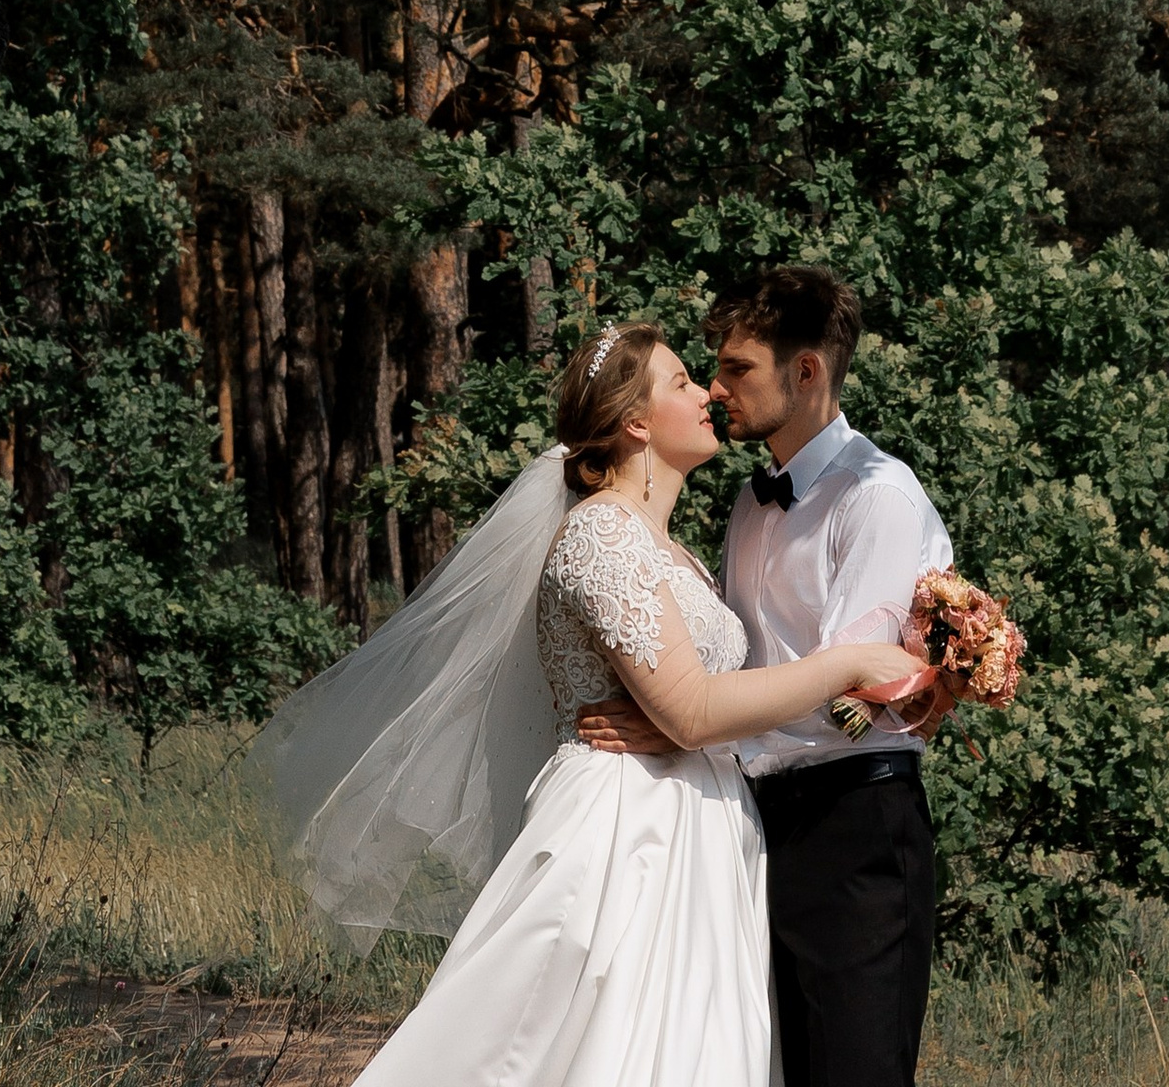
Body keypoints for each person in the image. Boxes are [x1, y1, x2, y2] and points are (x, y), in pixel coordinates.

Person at [249, 317, 930, 1087]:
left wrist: (691, 722)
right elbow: (693, 709)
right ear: (636, 421)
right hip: (623, 832)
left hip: (703, 831)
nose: (707, 391)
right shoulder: (600, 534)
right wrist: (845, 664)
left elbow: (695, 709)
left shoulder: (677, 549)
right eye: (681, 381)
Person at [576, 265, 953, 1087]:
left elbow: (849, 704)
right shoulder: (750, 506)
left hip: (854, 826)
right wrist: (694, 718)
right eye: (711, 363)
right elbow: (744, 670)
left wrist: (694, 720)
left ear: (807, 371)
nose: (717, 385)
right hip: (748, 830)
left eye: (738, 366)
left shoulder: (877, 497)